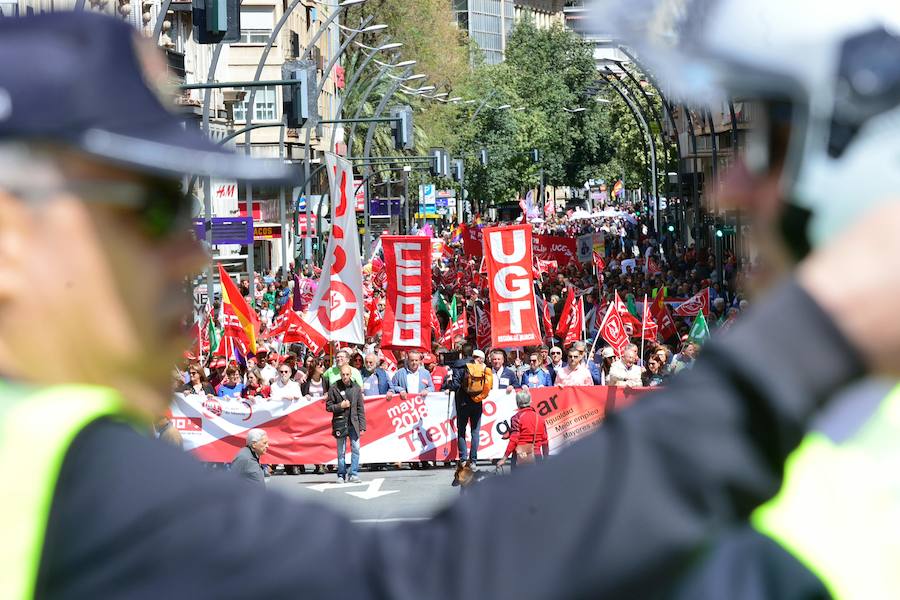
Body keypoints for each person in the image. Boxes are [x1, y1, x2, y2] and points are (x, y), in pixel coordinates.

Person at [13, 11, 900, 600]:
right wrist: (808, 340)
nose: (194, 250)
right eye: (152, 207)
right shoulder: (68, 473)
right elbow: (424, 582)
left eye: (764, 139)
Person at [445, 345, 492, 468]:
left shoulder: (459, 365)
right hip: (477, 401)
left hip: (462, 402)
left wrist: (448, 385)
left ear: (461, 353)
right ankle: (474, 461)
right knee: (475, 432)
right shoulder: (479, 366)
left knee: (461, 431)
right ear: (473, 354)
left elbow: (455, 385)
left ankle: (463, 459)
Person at [326, 365, 366, 483]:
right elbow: (328, 407)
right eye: (343, 374)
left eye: (347, 374)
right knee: (341, 451)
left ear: (351, 375)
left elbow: (360, 408)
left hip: (353, 423)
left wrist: (362, 426)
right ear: (340, 374)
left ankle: (353, 473)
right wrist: (340, 406)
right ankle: (341, 474)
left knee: (356, 449)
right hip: (340, 423)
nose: (345, 377)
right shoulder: (334, 387)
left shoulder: (356, 388)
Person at [497, 390, 549, 469]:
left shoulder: (516, 418)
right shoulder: (540, 418)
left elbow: (514, 440)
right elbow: (545, 441)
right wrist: (546, 458)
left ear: (518, 403)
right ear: (530, 401)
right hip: (537, 457)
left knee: (518, 481)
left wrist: (504, 458)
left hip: (521, 457)